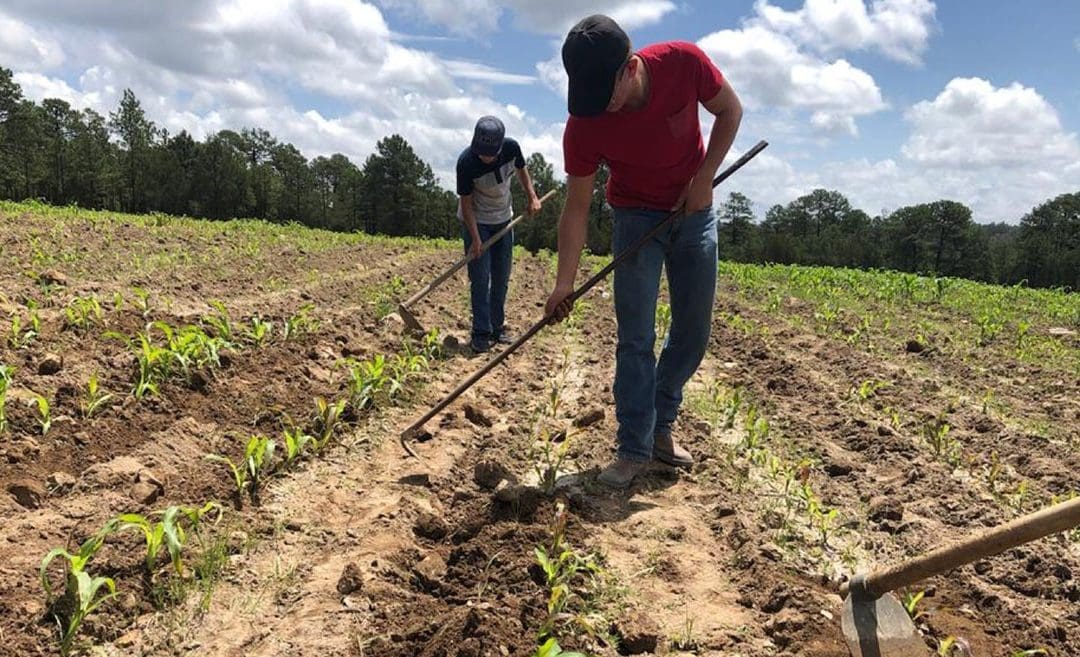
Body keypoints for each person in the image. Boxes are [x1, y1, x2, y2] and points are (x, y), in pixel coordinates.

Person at [544, 15, 743, 488]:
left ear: (630, 69)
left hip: (693, 212)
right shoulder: (586, 124)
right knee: (636, 339)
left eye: (604, 94)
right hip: (635, 218)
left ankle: (662, 421)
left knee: (693, 332)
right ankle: (634, 446)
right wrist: (563, 284)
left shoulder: (683, 63)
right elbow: (575, 208)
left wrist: (704, 178)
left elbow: (730, 110)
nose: (599, 109)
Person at [457, 115, 542, 353]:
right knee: (481, 278)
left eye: (490, 152)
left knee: (502, 277)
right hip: (477, 221)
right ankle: (481, 332)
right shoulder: (466, 163)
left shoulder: (512, 148)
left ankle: (497, 327)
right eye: (482, 152)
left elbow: (522, 170)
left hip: (504, 219)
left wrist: (532, 196)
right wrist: (475, 239)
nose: (486, 156)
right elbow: (465, 205)